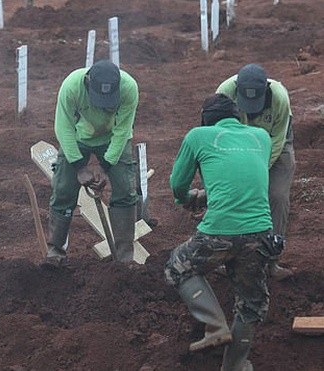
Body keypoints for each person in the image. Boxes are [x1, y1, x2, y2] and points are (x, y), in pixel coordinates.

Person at [165, 94, 278, 371]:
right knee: (251, 304)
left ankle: (215, 325)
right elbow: (241, 178)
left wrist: (187, 198)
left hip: (219, 232)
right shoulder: (261, 137)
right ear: (237, 116)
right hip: (261, 232)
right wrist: (209, 194)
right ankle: (235, 366)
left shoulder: (198, 135)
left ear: (206, 120)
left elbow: (177, 184)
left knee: (178, 266)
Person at [46, 59, 139, 266]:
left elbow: (123, 130)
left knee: (125, 189)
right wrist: (79, 166)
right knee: (63, 190)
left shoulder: (129, 88)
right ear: (88, 83)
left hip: (113, 139)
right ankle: (55, 253)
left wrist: (106, 166)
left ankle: (125, 259)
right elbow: (64, 128)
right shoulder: (71, 86)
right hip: (79, 138)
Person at [216, 63, 296, 280]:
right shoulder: (225, 92)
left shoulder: (279, 97)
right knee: (232, 195)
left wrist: (258, 172)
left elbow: (278, 140)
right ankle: (228, 258)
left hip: (274, 146)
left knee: (278, 197)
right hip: (236, 147)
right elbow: (218, 136)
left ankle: (272, 261)